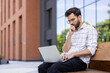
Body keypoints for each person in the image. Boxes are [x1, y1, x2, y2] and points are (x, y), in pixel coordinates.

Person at [38, 7, 97, 73]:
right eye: (69, 21)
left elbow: (91, 50)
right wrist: (69, 35)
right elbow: (65, 50)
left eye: (73, 20)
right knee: (42, 67)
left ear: (79, 17)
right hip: (67, 59)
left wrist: (73, 54)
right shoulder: (70, 32)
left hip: (80, 61)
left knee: (55, 68)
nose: (71, 23)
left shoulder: (90, 29)